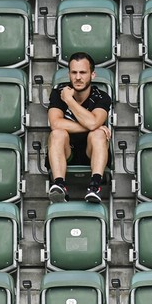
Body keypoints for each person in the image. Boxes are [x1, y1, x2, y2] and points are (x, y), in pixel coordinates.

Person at [47, 52, 112, 204]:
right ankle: (59, 185)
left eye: (83, 72)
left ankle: (94, 186)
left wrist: (70, 101)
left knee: (98, 135)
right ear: (69, 74)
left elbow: (93, 124)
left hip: (92, 151)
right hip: (66, 150)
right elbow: (55, 123)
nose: (78, 77)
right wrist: (94, 125)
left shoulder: (102, 97)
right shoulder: (58, 94)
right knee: (57, 133)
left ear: (92, 74)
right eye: (74, 72)